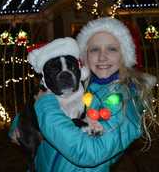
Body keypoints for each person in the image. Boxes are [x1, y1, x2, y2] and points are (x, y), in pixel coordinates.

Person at [33, 17, 157, 171]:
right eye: (94, 49)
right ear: (85, 56)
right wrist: (20, 125)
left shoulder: (126, 100)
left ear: (125, 54)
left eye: (112, 49)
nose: (102, 57)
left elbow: (90, 153)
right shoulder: (88, 86)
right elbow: (61, 109)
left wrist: (45, 107)